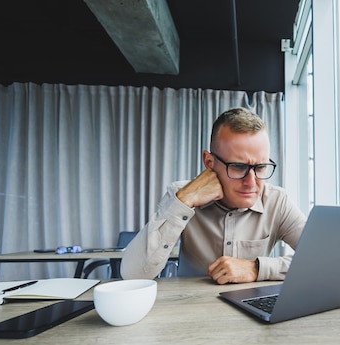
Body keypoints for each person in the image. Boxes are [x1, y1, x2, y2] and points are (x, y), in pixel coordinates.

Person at [121, 107, 307, 284]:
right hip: (192, 309)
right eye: (238, 166)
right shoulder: (180, 195)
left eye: (260, 167)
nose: (251, 182)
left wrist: (257, 269)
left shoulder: (277, 202)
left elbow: (325, 261)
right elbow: (133, 275)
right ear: (209, 162)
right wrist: (183, 201)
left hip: (254, 314)